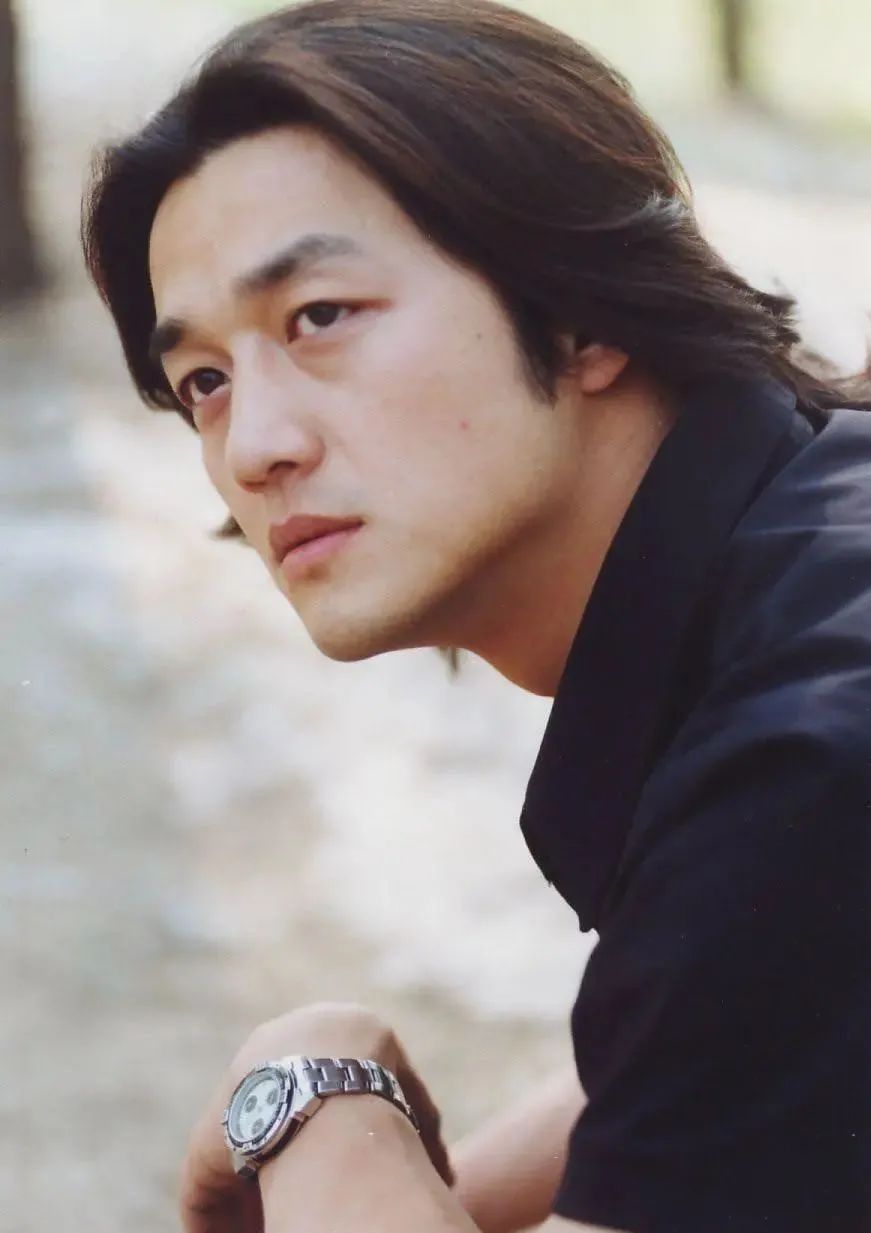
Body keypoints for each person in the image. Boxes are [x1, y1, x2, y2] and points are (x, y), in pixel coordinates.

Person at [81, 2, 871, 1230]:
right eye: (206, 382)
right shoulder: (812, 525)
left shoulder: (799, 764)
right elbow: (751, 1044)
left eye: (320, 317)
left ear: (579, 309)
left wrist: (315, 1091)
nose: (253, 447)